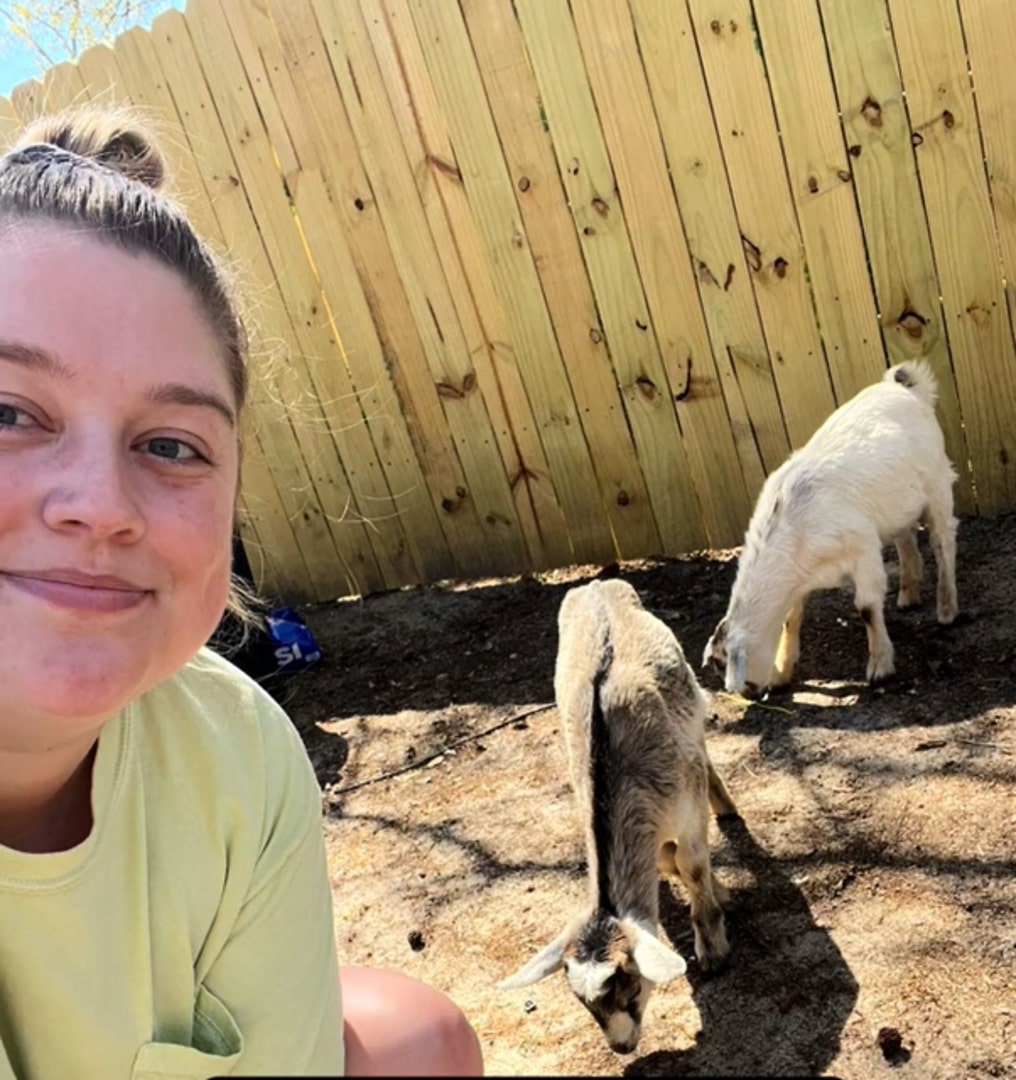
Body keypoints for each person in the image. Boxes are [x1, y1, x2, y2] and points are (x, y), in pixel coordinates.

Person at [0, 105, 484, 1078]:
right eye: (10, 413)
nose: (100, 505)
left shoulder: (239, 754)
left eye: (171, 446)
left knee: (416, 1043)